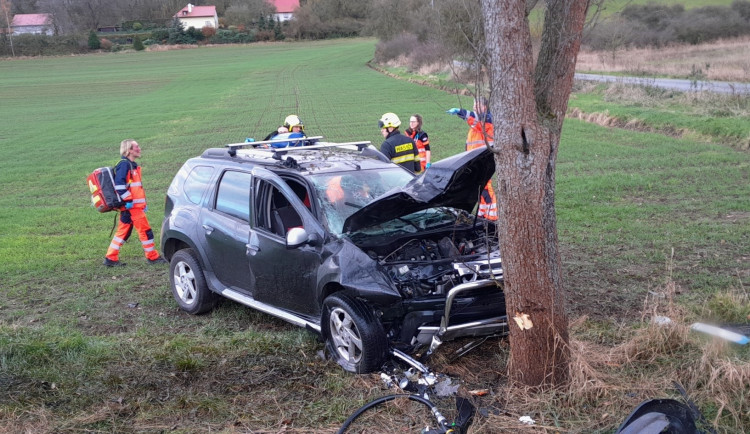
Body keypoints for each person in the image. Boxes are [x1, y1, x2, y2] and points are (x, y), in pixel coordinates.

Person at [103, 139, 167, 266]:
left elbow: (135, 187)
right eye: (136, 147)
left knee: (123, 232)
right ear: (129, 150)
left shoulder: (131, 165)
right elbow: (120, 186)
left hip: (133, 206)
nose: (139, 149)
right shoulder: (124, 165)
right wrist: (129, 201)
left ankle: (110, 258)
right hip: (132, 207)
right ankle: (152, 257)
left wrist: (142, 203)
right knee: (145, 231)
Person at [447, 97, 498, 220]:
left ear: (485, 106)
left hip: (483, 159)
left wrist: (460, 111)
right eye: (473, 104)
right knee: (479, 187)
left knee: (485, 187)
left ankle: (492, 215)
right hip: (476, 159)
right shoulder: (480, 122)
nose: (474, 106)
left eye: (477, 104)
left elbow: (473, 118)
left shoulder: (487, 119)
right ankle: (482, 213)